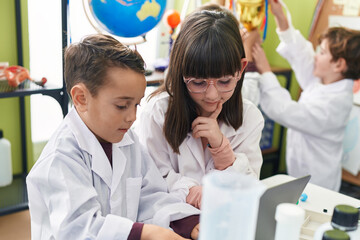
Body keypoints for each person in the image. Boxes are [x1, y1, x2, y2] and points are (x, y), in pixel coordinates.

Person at [26, 34, 201, 240]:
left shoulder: (128, 141)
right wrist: (147, 232)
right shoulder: (60, 159)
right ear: (81, 98)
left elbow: (151, 196)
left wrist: (189, 223)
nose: (132, 117)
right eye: (121, 105)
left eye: (136, 104)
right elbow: (79, 228)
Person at [135, 10, 264, 209]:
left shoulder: (250, 117)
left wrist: (222, 148)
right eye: (198, 82)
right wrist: (191, 192)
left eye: (224, 81)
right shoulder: (156, 113)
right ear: (180, 73)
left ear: (241, 69)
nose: (212, 95)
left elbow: (249, 188)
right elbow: (151, 178)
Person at [251, 0, 360, 191]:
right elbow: (302, 55)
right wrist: (280, 17)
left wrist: (266, 71)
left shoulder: (334, 105)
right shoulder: (326, 81)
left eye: (323, 52)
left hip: (319, 185)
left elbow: (285, 110)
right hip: (300, 173)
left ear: (339, 65)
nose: (316, 56)